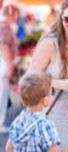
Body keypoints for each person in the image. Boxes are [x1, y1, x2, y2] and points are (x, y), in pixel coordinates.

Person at [28, 0, 68, 151]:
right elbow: (30, 78)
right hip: (50, 115)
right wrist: (61, 84)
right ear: (61, 16)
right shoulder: (50, 43)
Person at [5, 71, 68, 152]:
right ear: (45, 100)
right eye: (51, 92)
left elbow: (8, 149)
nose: (52, 95)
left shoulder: (18, 121)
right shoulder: (46, 126)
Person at [0, 4, 18, 133]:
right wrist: (10, 66)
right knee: (2, 95)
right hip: (4, 64)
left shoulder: (4, 26)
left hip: (3, 63)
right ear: (12, 14)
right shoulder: (5, 27)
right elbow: (4, 47)